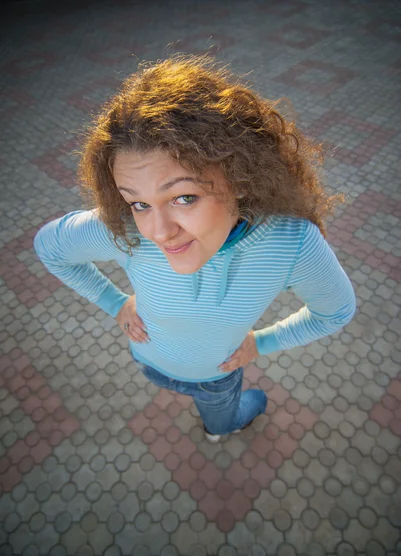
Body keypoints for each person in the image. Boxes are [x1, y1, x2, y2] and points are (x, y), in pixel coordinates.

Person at [34, 55, 356, 443]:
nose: (159, 231)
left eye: (184, 197)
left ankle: (223, 426)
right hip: (149, 361)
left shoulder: (291, 243)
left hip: (215, 378)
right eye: (139, 203)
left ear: (239, 177)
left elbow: (334, 311)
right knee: (217, 416)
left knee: (220, 418)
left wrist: (262, 342)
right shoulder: (124, 228)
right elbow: (49, 247)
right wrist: (115, 302)